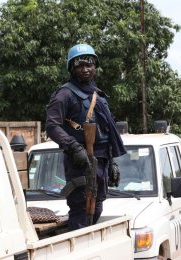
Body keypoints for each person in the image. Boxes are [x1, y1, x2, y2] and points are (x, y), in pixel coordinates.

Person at [45, 43, 126, 231]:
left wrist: (112, 161)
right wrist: (74, 147)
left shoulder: (98, 95)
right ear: (72, 69)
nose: (85, 69)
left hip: (102, 159)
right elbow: (52, 126)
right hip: (79, 160)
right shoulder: (64, 94)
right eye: (80, 65)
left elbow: (107, 132)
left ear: (95, 67)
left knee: (96, 207)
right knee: (81, 210)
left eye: (89, 65)